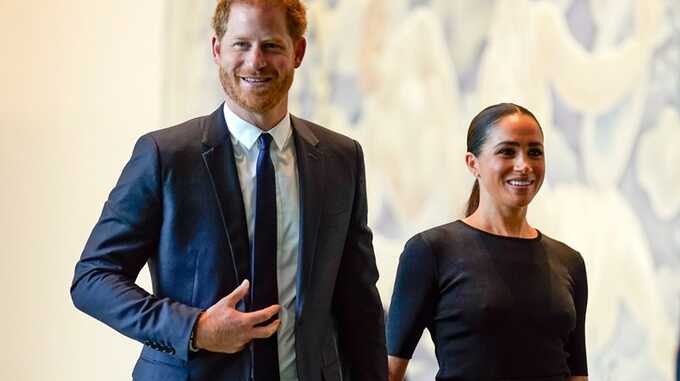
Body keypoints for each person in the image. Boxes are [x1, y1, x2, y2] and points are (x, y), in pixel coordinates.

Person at [70, 1, 387, 380]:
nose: (255, 62)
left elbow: (359, 303)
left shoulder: (341, 159)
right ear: (217, 49)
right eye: (241, 44)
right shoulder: (165, 155)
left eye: (271, 45)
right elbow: (93, 278)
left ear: (298, 52)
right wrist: (195, 329)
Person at [386, 103, 588, 381]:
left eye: (535, 152)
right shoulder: (431, 251)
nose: (524, 165)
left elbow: (577, 373)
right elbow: (389, 370)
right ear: (473, 163)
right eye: (507, 151)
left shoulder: (569, 261)